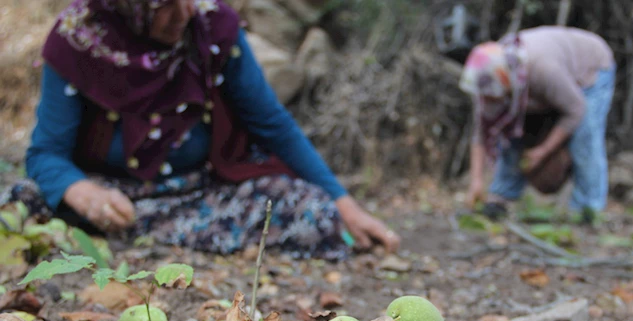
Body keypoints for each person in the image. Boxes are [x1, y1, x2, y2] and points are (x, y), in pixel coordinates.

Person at [5, 0, 399, 260]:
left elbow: (272, 124)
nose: (184, 13)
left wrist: (343, 203)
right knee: (24, 199)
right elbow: (44, 154)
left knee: (313, 213)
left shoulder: (212, 26)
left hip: (201, 192)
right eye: (164, 5)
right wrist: (82, 193)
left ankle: (133, 235)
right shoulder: (78, 39)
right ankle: (117, 229)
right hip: (113, 193)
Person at [460, 26, 615, 220]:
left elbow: (576, 110)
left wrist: (542, 151)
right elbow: (481, 133)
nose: (488, 102)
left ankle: (589, 209)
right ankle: (500, 197)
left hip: (590, 67)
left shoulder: (542, 70)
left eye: (492, 98)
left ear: (505, 82)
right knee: (513, 132)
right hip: (545, 84)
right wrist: (476, 181)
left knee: (584, 137)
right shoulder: (488, 80)